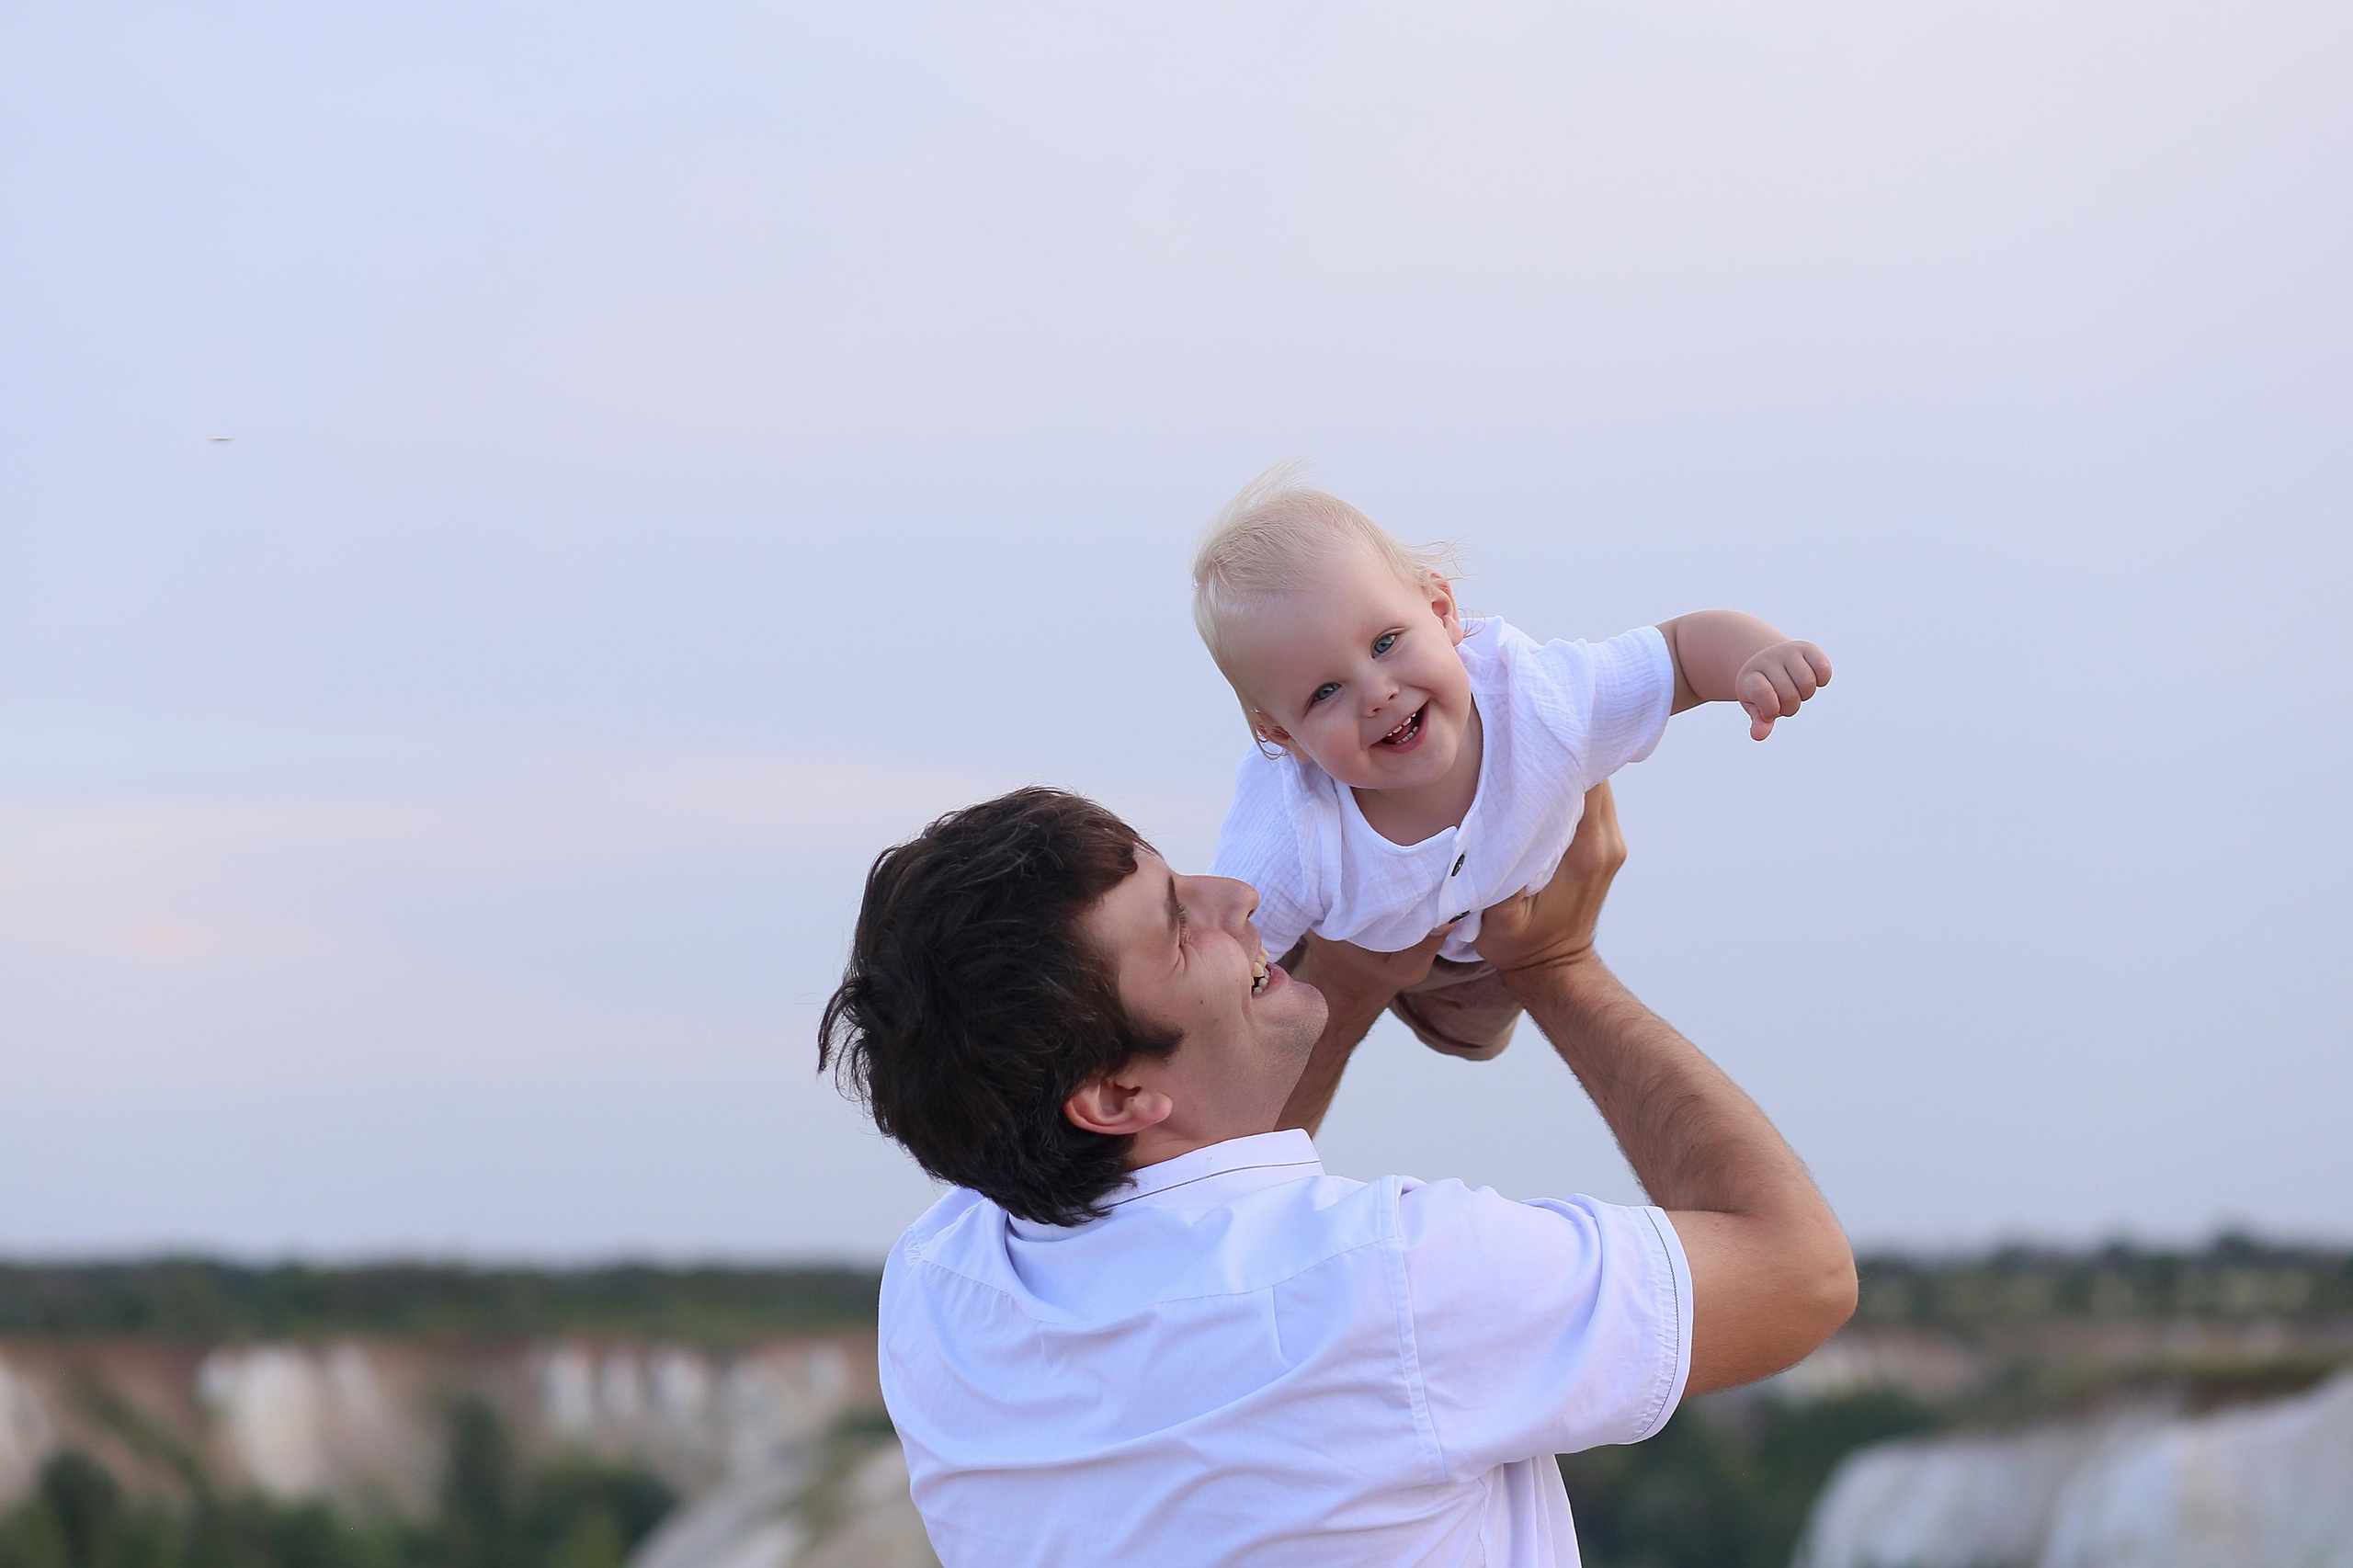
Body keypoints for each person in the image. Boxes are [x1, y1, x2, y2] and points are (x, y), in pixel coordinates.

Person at [819, 781, 1855, 1567]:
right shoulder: (1395, 1281)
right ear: (1113, 1098)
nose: (1238, 897)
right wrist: (1558, 966)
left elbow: (1209, 1215)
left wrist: (1354, 971)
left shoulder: (942, 1292)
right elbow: (1800, 1273)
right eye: (1184, 928)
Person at [1194, 465, 1831, 1060]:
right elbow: (1217, 961)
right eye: (1325, 692)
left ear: (1443, 613)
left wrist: (1756, 658)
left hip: (1503, 913)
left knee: (1474, 1031)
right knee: (1283, 1015)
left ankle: (1456, 1012)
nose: (1377, 693)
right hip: (1350, 927)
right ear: (1284, 734)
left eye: (1386, 642)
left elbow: (1680, 653)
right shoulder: (1288, 838)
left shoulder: (1543, 700)